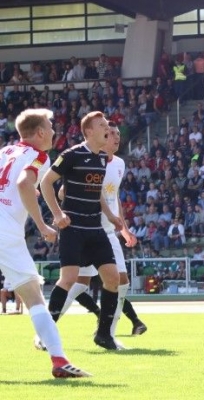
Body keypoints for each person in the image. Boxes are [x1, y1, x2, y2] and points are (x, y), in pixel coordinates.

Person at [0, 109, 91, 377]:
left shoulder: (5, 151)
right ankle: (59, 360)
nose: (54, 132)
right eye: (50, 128)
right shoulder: (38, 155)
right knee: (34, 298)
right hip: (5, 231)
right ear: (40, 132)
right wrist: (42, 225)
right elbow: (23, 183)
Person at [40, 111, 124, 351]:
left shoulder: (102, 158)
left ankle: (104, 335)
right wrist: (58, 214)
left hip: (95, 228)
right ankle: (46, 334)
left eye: (107, 125)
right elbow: (46, 183)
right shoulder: (71, 155)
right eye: (102, 125)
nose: (107, 128)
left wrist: (110, 215)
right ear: (89, 131)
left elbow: (97, 191)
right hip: (73, 228)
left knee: (113, 279)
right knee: (68, 279)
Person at [61, 124, 147, 346]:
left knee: (121, 281)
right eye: (111, 134)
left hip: (107, 232)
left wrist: (124, 229)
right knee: (78, 283)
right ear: (102, 137)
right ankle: (47, 328)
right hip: (86, 229)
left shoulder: (119, 164)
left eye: (118, 134)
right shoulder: (88, 160)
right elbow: (63, 191)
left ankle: (108, 333)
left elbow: (114, 196)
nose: (116, 137)